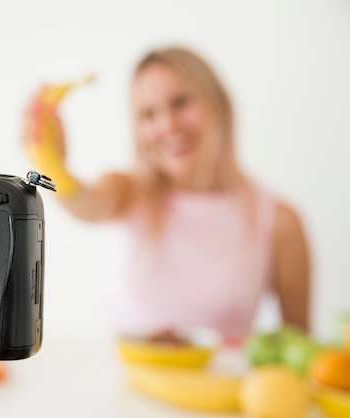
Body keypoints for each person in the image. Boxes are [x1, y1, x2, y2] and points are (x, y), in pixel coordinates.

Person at [22, 46, 311, 342]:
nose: (168, 126)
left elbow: (299, 352)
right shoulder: (128, 193)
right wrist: (54, 167)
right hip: (129, 387)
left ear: (218, 102)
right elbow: (84, 202)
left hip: (225, 388)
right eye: (148, 114)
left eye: (180, 102)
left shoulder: (280, 221)